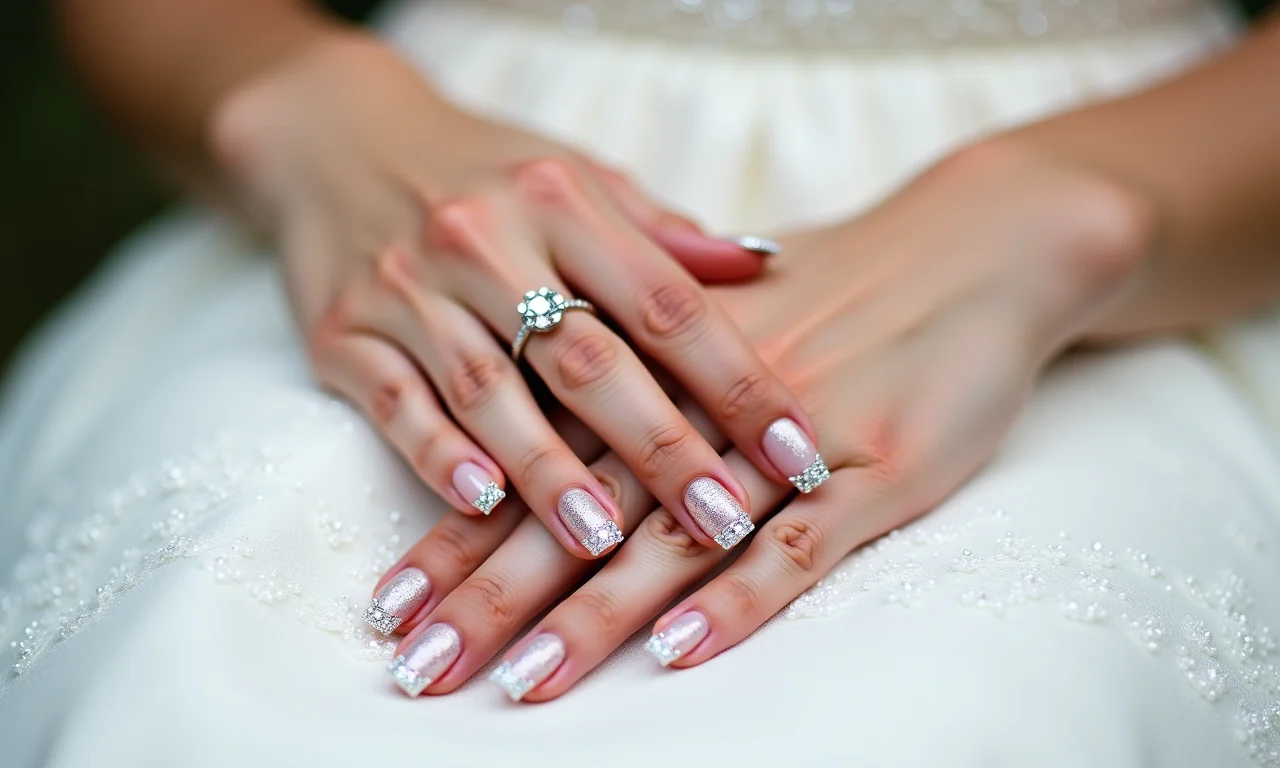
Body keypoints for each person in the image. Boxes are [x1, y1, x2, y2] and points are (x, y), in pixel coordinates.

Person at [1, 0, 1278, 764]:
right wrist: (301, 121)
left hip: (1158, 205)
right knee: (203, 658)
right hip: (427, 211)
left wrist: (1080, 217)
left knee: (968, 708)